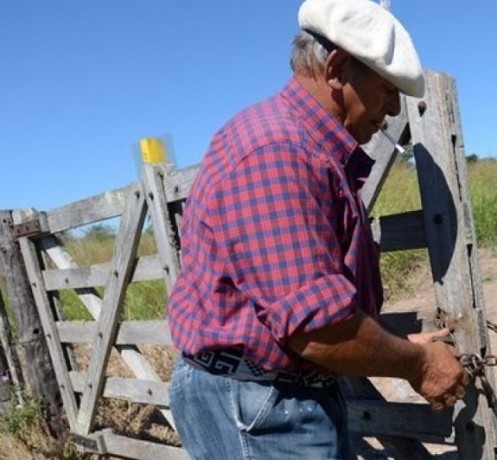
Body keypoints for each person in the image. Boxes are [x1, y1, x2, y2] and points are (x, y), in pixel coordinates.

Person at [165, 0, 468, 458]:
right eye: (387, 90)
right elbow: (319, 330)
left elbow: (306, 299)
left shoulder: (301, 146)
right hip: (261, 407)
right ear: (337, 67)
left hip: (266, 396)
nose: (389, 112)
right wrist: (418, 363)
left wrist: (395, 344)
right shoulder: (279, 151)